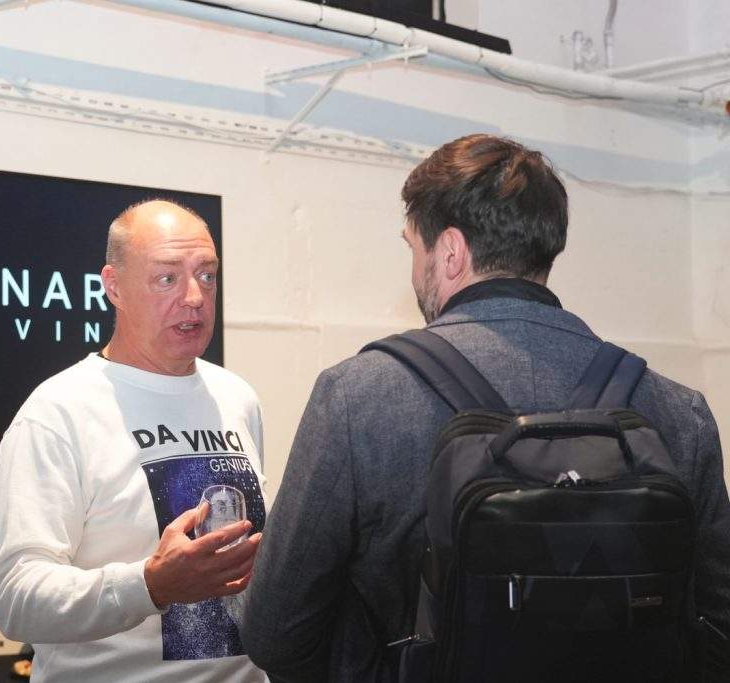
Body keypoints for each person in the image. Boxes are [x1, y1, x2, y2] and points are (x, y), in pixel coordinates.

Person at [239, 134, 730, 681]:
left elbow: (275, 634)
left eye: (413, 247)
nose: (413, 269)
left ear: (450, 252)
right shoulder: (678, 412)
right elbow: (718, 628)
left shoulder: (357, 397)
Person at [0, 199, 267, 683]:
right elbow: (15, 598)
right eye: (167, 278)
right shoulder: (58, 412)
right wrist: (150, 586)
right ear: (113, 286)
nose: (195, 297)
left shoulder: (236, 396)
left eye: (207, 275)